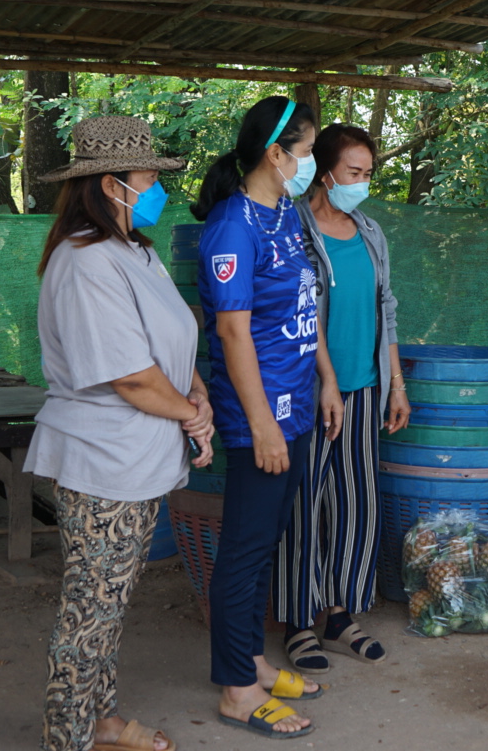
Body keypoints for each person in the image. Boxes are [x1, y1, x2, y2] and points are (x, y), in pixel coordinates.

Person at [27, 116, 216, 751]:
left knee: (107, 606)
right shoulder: (86, 263)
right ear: (113, 185)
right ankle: (67, 738)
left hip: (136, 457)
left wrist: (197, 392)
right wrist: (190, 413)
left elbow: (166, 348)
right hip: (103, 462)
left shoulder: (135, 251)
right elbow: (130, 378)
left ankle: (101, 722)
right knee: (90, 612)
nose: (159, 188)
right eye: (150, 179)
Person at [191, 96, 343, 740]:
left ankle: (249, 658)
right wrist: (261, 424)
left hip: (297, 404)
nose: (310, 163)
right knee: (245, 549)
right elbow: (231, 332)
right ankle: (235, 688)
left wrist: (325, 382)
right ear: (276, 154)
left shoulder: (280, 212)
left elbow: (303, 308)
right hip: (262, 416)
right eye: (307, 152)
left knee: (267, 539)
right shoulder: (232, 226)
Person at [273, 123, 407, 674]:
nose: (363, 182)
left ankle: (337, 613)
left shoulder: (370, 231)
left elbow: (387, 309)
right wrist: (324, 381)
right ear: (324, 171)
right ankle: (299, 622)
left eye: (368, 173)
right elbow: (296, 312)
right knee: (304, 506)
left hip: (363, 389)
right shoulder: (293, 228)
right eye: (355, 172)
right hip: (309, 393)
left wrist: (395, 384)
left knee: (356, 507)